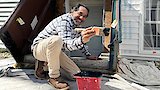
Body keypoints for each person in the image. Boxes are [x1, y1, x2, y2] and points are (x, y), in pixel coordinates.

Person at [31, 3, 97, 89]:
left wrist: (88, 55)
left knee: (76, 75)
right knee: (56, 40)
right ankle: (53, 77)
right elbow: (66, 45)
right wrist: (82, 40)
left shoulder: (74, 25)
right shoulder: (65, 21)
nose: (82, 18)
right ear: (73, 11)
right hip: (39, 48)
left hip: (54, 51)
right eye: (80, 14)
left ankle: (44, 65)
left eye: (84, 16)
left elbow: (76, 40)